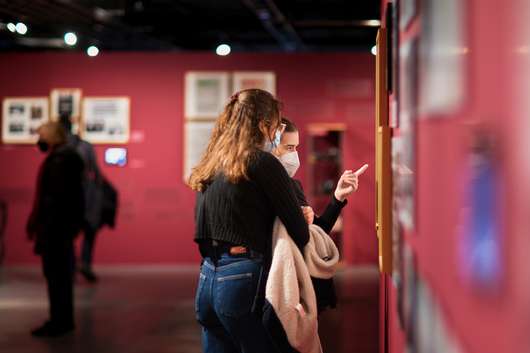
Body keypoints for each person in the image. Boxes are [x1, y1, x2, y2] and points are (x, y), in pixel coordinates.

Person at [188, 89, 309, 353]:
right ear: (263, 125)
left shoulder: (211, 162)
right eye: (276, 126)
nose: (276, 133)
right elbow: (300, 232)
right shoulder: (262, 163)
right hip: (241, 275)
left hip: (208, 275)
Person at [272, 117, 368, 311]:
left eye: (297, 148)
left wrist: (338, 198)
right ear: (271, 146)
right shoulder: (259, 187)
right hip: (278, 283)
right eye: (289, 148)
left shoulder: (293, 185)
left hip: (303, 284)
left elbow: (318, 231)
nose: (295, 155)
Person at [26, 122, 84, 337]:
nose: (38, 139)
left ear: (51, 136)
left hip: (55, 230)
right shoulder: (66, 157)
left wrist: (42, 226)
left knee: (56, 276)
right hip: (60, 229)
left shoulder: (60, 160)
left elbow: (55, 200)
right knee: (60, 276)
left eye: (41, 135)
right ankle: (61, 319)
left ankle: (59, 321)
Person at [59, 113, 103, 282]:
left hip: (67, 195)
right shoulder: (85, 146)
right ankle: (85, 263)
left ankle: (70, 267)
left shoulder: (61, 148)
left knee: (68, 233)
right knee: (89, 230)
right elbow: (96, 172)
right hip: (86, 193)